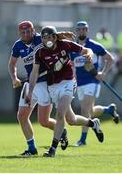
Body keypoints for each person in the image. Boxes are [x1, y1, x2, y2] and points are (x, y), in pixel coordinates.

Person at [26, 25, 104, 157]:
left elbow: (86, 50)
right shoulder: (39, 52)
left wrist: (89, 56)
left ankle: (53, 149)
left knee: (60, 113)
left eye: (50, 37)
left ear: (55, 37)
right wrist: (30, 91)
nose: (47, 40)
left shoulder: (65, 45)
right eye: (44, 38)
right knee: (71, 120)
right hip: (53, 86)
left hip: (68, 82)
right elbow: (34, 73)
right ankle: (93, 123)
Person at [8, 21, 74, 155]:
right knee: (21, 116)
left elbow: (53, 37)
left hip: (45, 83)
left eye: (29, 31)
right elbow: (12, 64)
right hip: (30, 83)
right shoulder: (18, 45)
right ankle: (31, 148)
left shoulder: (41, 38)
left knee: (43, 121)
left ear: (33, 31)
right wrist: (14, 78)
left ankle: (61, 130)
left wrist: (62, 34)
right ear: (19, 33)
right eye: (23, 32)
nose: (26, 34)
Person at [70, 21, 120, 147]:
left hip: (92, 80)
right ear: (76, 31)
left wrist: (103, 73)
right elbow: (71, 64)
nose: (81, 31)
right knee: (90, 112)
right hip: (80, 82)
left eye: (84, 29)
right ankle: (108, 110)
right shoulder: (73, 47)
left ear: (87, 31)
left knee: (84, 110)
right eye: (79, 29)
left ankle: (82, 140)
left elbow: (110, 59)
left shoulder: (94, 45)